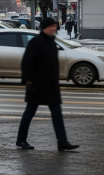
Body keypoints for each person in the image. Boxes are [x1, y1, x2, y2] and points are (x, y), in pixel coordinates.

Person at [16, 17, 79, 151]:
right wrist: (28, 80)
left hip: (50, 85)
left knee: (57, 113)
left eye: (55, 26)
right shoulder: (36, 42)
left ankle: (62, 141)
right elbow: (27, 62)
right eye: (52, 26)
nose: (54, 28)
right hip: (37, 84)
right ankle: (21, 139)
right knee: (30, 112)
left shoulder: (51, 42)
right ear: (45, 28)